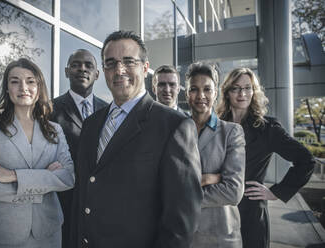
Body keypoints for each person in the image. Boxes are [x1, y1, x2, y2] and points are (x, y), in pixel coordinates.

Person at [69, 30, 202, 248]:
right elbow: (83, 193)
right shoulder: (91, 124)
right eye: (110, 63)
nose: (119, 70)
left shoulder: (174, 126)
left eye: (128, 61)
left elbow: (182, 221)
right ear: (103, 70)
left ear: (145, 67)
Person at [0, 58, 75, 248]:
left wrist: (13, 176)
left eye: (30, 81)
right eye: (15, 81)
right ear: (7, 88)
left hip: (48, 233)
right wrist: (45, 181)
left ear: (39, 87)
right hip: (0, 235)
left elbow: (68, 177)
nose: (23, 87)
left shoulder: (55, 130)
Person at [216, 67, 315, 248]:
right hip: (218, 210)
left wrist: (276, 192)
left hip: (250, 213)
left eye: (247, 88)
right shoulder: (216, 125)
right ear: (227, 92)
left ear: (254, 92)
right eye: (236, 88)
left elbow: (306, 160)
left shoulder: (267, 128)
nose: (242, 93)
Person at [51, 49, 107, 248]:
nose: (82, 69)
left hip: (100, 203)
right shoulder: (49, 109)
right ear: (66, 71)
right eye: (76, 64)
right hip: (64, 201)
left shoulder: (109, 110)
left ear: (97, 74)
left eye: (89, 65)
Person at [185, 63, 245, 247]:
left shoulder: (231, 132)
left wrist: (183, 195)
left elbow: (233, 191)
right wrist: (206, 179)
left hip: (220, 237)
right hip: (184, 234)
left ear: (216, 93)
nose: (201, 96)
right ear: (186, 93)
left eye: (207, 89)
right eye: (194, 89)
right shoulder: (175, 130)